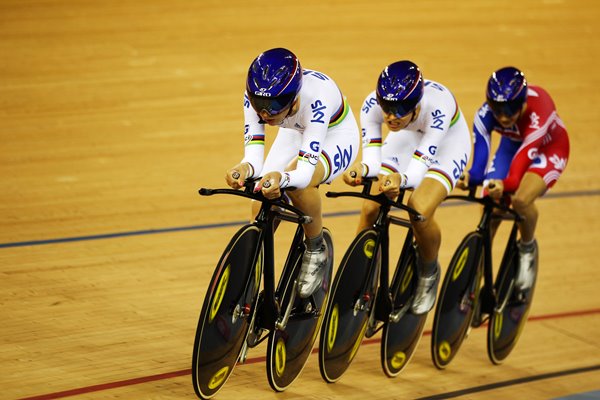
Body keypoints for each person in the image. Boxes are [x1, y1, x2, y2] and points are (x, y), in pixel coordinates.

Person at [224, 48, 359, 298]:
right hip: (294, 132)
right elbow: (253, 158)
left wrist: (283, 179)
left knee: (299, 186)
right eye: (259, 106)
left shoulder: (318, 98)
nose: (264, 114)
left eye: (273, 106)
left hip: (335, 136)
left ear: (294, 97)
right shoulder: (255, 96)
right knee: (261, 204)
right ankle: (251, 276)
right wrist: (243, 168)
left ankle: (315, 248)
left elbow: (304, 173)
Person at [343, 60, 471, 314]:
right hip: (407, 137)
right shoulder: (372, 107)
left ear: (417, 104)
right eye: (387, 107)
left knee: (419, 209)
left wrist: (399, 180)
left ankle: (428, 271)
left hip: (446, 145)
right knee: (371, 207)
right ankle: (359, 273)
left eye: (400, 109)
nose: (390, 116)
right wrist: (359, 170)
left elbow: (417, 169)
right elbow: (372, 160)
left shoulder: (438, 108)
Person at [457, 66, 569, 291]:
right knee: (491, 203)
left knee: (519, 200)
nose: (503, 117)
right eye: (497, 110)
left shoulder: (540, 111)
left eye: (510, 110)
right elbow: (479, 166)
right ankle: (478, 271)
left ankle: (526, 250)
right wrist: (470, 178)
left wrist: (504, 185)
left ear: (523, 103)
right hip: (512, 147)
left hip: (548, 149)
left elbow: (515, 178)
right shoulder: (485, 115)